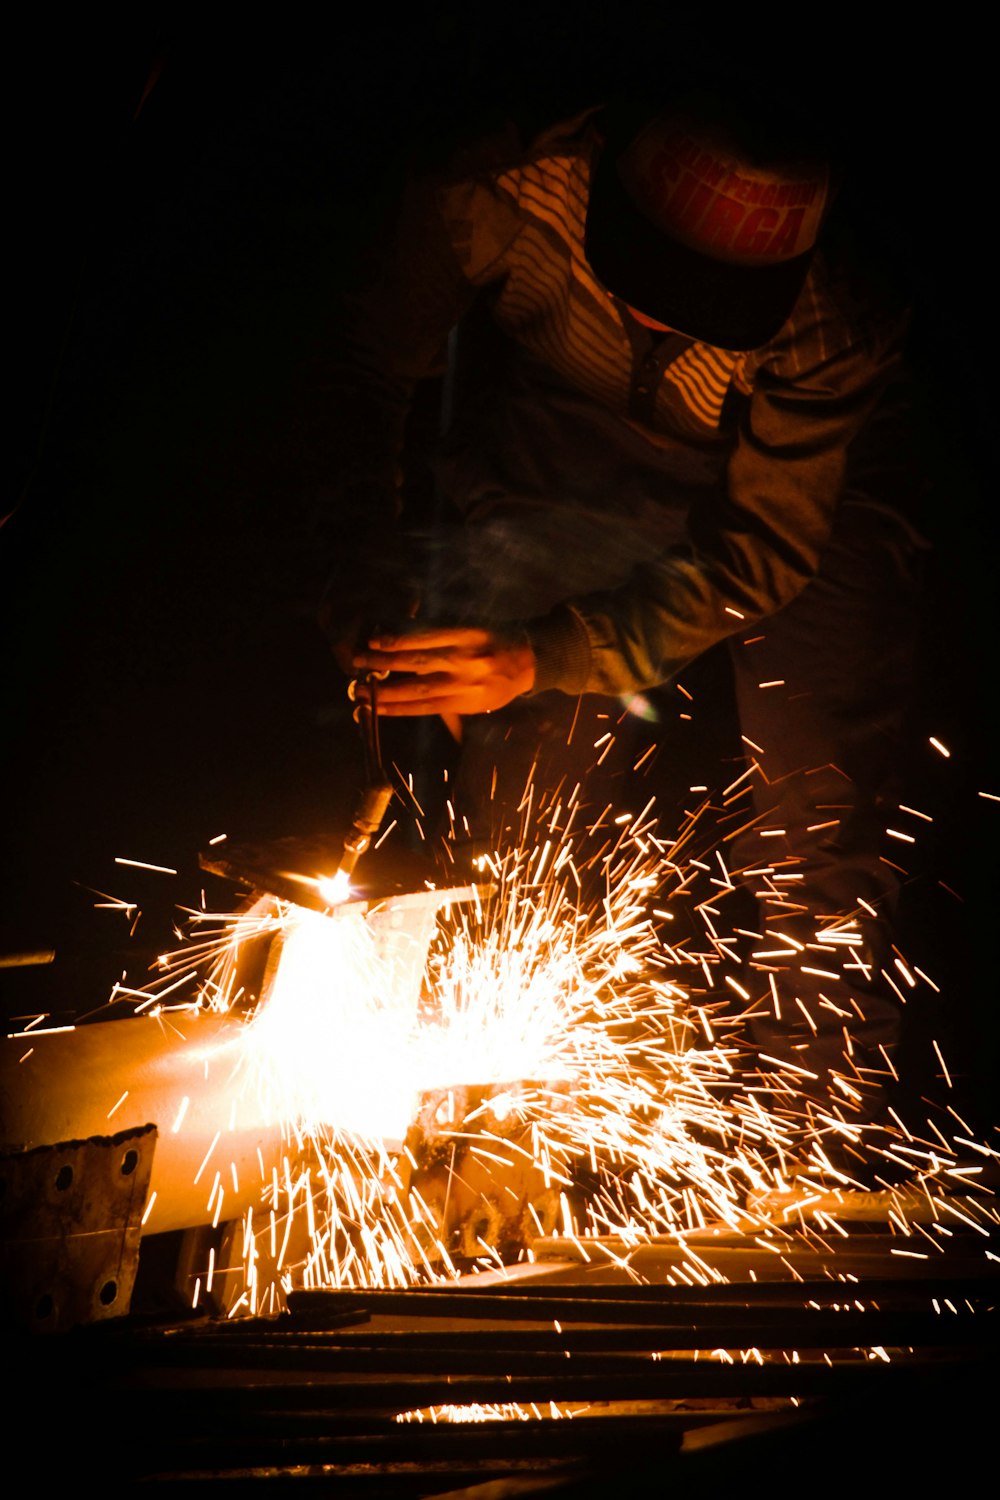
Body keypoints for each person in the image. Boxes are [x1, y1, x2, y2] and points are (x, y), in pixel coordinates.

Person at [334, 87, 927, 1177]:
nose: (664, 320)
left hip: (812, 491)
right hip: (572, 428)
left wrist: (546, 652)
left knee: (816, 804)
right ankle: (493, 1133)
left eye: (706, 304)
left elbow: (760, 561)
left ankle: (810, 1135)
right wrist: (365, 580)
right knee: (530, 794)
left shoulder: (834, 319)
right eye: (649, 287)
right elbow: (370, 374)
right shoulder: (489, 191)